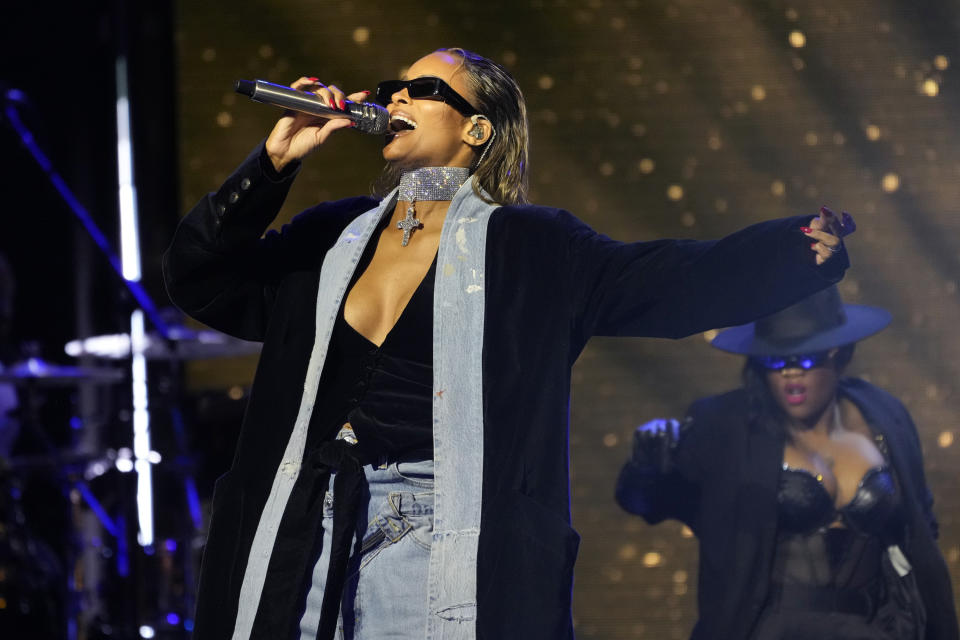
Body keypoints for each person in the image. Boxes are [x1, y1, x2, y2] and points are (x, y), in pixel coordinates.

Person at [163, 47, 853, 640]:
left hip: (443, 538)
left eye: (423, 89)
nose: (394, 96)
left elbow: (669, 280)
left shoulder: (532, 248)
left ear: (478, 128)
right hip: (307, 530)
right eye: (389, 89)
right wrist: (270, 166)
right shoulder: (331, 237)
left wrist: (793, 252)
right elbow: (201, 280)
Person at [616, 286, 958, 639]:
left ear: (836, 353)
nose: (790, 374)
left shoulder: (885, 416)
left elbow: (921, 528)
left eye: (805, 360)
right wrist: (646, 465)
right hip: (769, 629)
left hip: (871, 629)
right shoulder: (726, 425)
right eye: (775, 361)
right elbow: (644, 501)